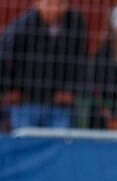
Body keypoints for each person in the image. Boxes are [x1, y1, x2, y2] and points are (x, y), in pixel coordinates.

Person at [0, 0, 88, 129]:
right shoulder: (22, 26)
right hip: (26, 100)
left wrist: (72, 91)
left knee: (61, 141)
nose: (55, 9)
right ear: (37, 3)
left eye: (60, 4)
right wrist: (10, 89)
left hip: (60, 102)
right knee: (24, 141)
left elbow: (81, 61)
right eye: (50, 4)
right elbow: (4, 56)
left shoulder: (76, 23)